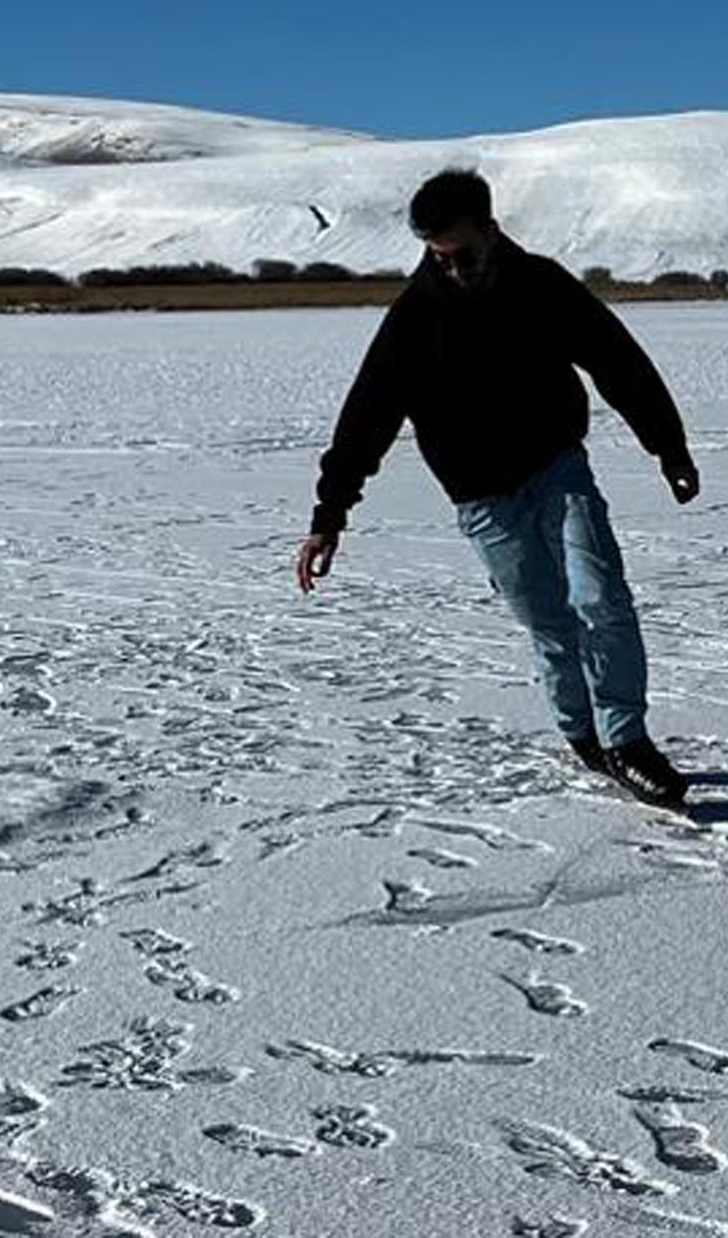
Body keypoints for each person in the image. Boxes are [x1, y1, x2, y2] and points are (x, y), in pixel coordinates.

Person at [295, 168, 700, 809]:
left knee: (602, 599)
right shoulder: (415, 316)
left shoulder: (542, 285)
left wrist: (668, 446)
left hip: (557, 471)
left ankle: (628, 742)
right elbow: (366, 418)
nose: (451, 268)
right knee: (548, 622)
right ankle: (583, 736)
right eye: (438, 256)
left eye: (462, 253)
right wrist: (329, 515)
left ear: (491, 227)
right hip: (481, 501)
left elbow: (617, 361)